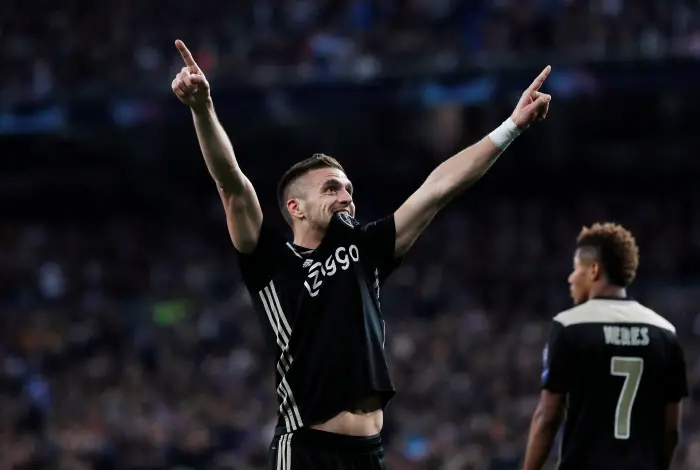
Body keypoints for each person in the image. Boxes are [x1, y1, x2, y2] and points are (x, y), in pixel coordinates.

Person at [171, 39, 551, 470]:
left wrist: (512, 127)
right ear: (294, 207)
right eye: (331, 188)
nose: (346, 197)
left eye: (349, 189)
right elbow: (232, 183)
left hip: (368, 454)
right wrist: (202, 109)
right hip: (306, 450)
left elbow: (439, 187)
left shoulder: (364, 250)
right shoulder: (270, 262)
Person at [523, 223, 688, 470]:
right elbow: (671, 429)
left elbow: (548, 416)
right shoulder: (665, 333)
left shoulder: (569, 326)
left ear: (593, 270)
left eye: (575, 269)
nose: (570, 278)